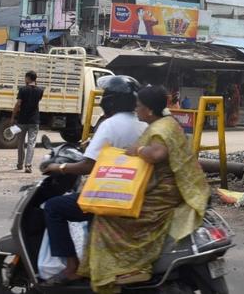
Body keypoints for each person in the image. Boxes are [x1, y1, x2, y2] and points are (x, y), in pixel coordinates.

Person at [79, 85, 208, 293]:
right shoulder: (168, 123)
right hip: (171, 188)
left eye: (138, 106)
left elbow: (157, 154)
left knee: (105, 217)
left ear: (148, 110)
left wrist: (138, 150)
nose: (136, 109)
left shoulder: (160, 129)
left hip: (161, 196)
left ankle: (132, 267)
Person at [40, 75, 146, 284]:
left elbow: (88, 165)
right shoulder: (142, 125)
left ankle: (72, 267)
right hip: (132, 194)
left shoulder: (110, 124)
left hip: (108, 195)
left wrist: (59, 167)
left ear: (111, 100)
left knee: (53, 207)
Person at [10, 71, 43, 173]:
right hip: (34, 121)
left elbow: (18, 104)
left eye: (25, 78)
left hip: (22, 121)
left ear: (28, 78)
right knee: (31, 143)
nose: (24, 80)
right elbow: (36, 103)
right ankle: (28, 165)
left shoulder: (22, 89)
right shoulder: (40, 90)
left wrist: (13, 117)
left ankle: (20, 164)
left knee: (20, 143)